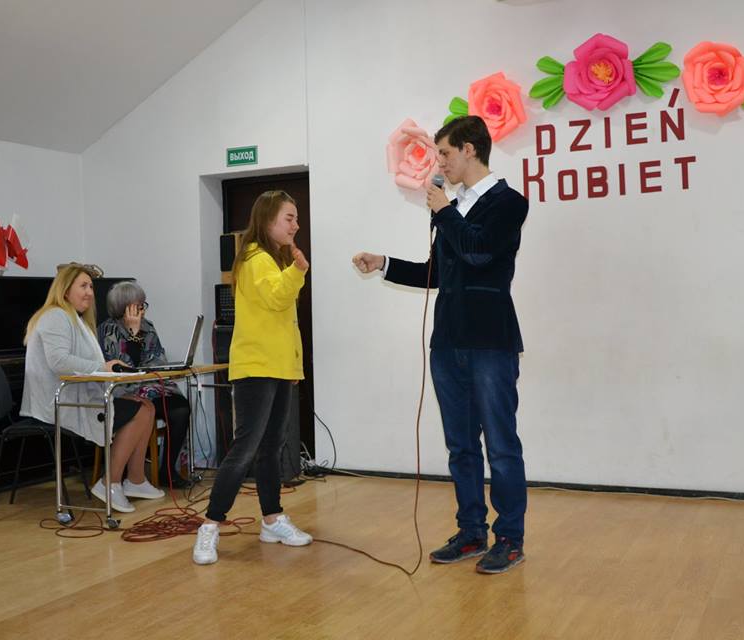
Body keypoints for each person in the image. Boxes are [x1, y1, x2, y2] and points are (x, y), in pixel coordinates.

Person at [352, 115, 529, 574]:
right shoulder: (451, 207)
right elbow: (437, 273)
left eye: (446, 153)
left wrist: (445, 211)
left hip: (490, 341)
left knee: (501, 445)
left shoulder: (508, 202)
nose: (440, 163)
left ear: (470, 149)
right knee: (461, 446)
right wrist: (384, 263)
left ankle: (509, 538)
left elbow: (479, 252)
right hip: (448, 342)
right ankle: (471, 531)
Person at [193, 190, 313, 565]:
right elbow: (277, 298)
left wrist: (293, 367)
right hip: (256, 368)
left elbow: (283, 320)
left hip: (276, 367)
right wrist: (298, 271)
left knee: (271, 448)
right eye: (289, 218)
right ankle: (210, 525)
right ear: (268, 219)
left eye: (296, 218)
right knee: (245, 449)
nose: (296, 225)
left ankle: (272, 519)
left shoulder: (273, 259)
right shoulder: (254, 258)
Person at [20, 263, 163, 513]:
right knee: (140, 411)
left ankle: (136, 480)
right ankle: (110, 483)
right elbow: (59, 361)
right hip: (59, 402)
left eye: (91, 287)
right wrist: (103, 367)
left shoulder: (75, 319)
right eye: (83, 286)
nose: (89, 292)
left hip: (78, 395)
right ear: (65, 290)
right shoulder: (55, 316)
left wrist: (105, 368)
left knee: (147, 406)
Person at [97, 282, 194, 489]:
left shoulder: (148, 326)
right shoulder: (108, 330)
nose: (143, 309)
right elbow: (125, 367)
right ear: (124, 307)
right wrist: (133, 334)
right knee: (139, 409)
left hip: (150, 387)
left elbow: (157, 358)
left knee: (180, 408)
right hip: (123, 391)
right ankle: (122, 472)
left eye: (143, 305)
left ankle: (168, 470)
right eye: (138, 305)